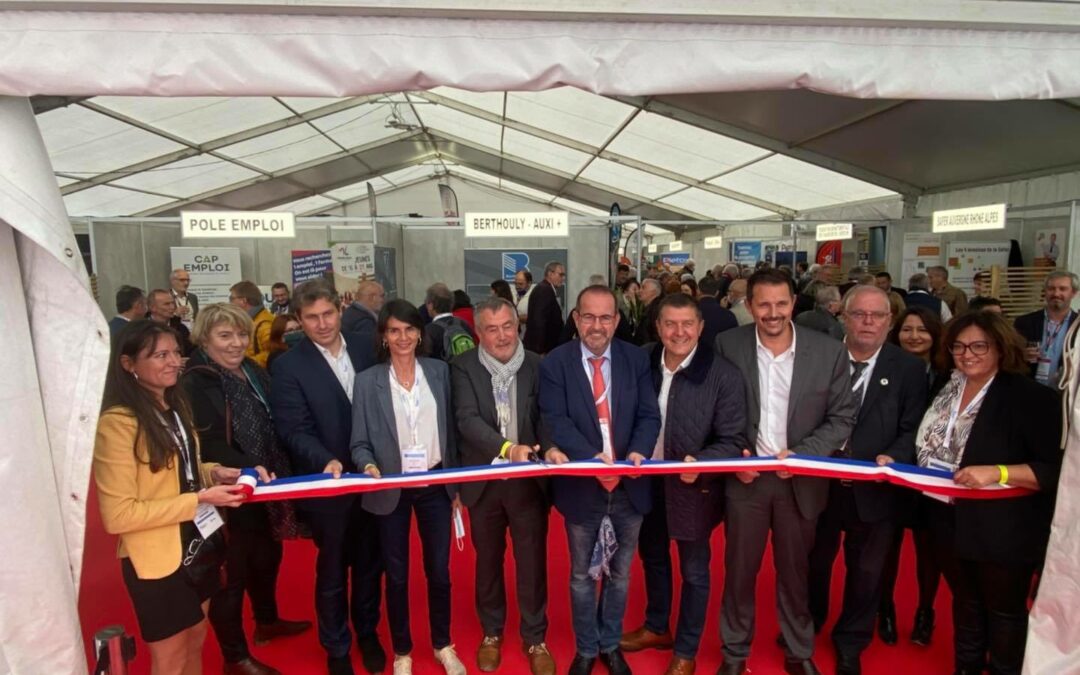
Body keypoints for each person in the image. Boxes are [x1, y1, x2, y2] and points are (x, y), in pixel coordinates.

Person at [94, 320, 260, 675]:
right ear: (128, 364)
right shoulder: (118, 423)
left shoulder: (172, 404)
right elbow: (118, 515)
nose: (174, 362)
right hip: (156, 558)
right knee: (170, 658)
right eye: (160, 355)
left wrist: (214, 472)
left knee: (195, 641)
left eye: (175, 353)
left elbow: (179, 472)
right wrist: (200, 499)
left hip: (197, 544)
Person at [714, 269, 857, 675]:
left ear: (794, 303)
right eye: (764, 304)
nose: (773, 313)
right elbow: (718, 409)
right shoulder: (728, 345)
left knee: (796, 574)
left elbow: (842, 417)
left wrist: (801, 456)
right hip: (747, 481)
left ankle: (798, 650)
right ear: (749, 305)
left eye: (781, 303)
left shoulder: (828, 352)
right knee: (739, 572)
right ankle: (734, 653)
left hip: (800, 481)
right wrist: (736, 456)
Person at [916, 311, 1062, 675]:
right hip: (946, 517)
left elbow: (1054, 470)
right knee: (965, 604)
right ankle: (966, 668)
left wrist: (998, 472)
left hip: (1003, 528)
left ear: (1000, 347)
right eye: (959, 346)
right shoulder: (947, 386)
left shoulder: (1031, 397)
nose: (967, 355)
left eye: (979, 346)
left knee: (1004, 612)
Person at [620, 293, 747, 675]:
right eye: (670, 324)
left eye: (687, 324)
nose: (679, 332)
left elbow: (734, 439)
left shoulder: (722, 374)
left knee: (694, 570)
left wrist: (703, 462)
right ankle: (657, 627)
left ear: (701, 327)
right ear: (657, 327)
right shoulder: (641, 361)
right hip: (646, 480)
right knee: (653, 557)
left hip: (695, 486)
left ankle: (686, 650)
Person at [538, 285, 661, 675]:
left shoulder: (635, 359)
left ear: (617, 320)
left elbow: (649, 415)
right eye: (588, 317)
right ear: (576, 319)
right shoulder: (555, 363)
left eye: (605, 317)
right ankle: (587, 648)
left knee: (620, 574)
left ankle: (610, 645)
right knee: (581, 575)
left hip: (629, 484)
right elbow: (555, 419)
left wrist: (638, 451)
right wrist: (591, 459)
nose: (597, 325)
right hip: (582, 485)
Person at [805, 287, 927, 675]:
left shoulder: (908, 369)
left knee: (867, 572)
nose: (868, 322)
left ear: (890, 321)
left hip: (875, 488)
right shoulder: (819, 358)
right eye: (859, 314)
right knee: (813, 561)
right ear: (844, 317)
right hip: (820, 484)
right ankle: (808, 623)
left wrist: (894, 457)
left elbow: (912, 428)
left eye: (877, 315)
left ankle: (851, 641)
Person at [182, 304, 309, 675]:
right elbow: (205, 443)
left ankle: (267, 620)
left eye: (241, 334)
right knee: (231, 575)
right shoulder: (195, 381)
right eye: (225, 336)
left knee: (268, 556)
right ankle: (235, 657)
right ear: (204, 339)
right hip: (229, 490)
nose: (236, 343)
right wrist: (245, 469)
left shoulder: (253, 370)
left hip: (268, 485)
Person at [270, 280, 385, 675]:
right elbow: (292, 429)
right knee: (333, 568)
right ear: (299, 320)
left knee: (370, 563)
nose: (322, 324)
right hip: (326, 484)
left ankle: (367, 633)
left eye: (328, 314)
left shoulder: (367, 347)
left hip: (373, 478)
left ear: (340, 310)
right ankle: (336, 646)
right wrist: (326, 460)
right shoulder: (288, 366)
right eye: (312, 317)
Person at [350, 299, 465, 675]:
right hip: (391, 488)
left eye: (410, 329)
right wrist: (367, 464)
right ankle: (403, 651)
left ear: (420, 333)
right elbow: (359, 442)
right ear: (383, 336)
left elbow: (452, 433)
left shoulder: (440, 372)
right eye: (394, 330)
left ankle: (443, 644)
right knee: (396, 574)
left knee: (439, 571)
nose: (403, 337)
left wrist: (455, 486)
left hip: (435, 483)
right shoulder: (367, 381)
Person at [451, 298, 557, 675]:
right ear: (479, 333)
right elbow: (466, 420)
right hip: (484, 482)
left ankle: (535, 637)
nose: (502, 336)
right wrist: (507, 449)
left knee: (532, 563)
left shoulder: (538, 365)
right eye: (492, 329)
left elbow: (546, 418)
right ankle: (491, 632)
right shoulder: (462, 367)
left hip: (527, 483)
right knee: (488, 562)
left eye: (507, 326)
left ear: (518, 326)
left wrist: (551, 449)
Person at [877, 305, 948, 648]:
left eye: (922, 330)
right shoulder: (886, 368)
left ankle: (925, 611)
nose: (914, 336)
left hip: (933, 475)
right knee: (886, 546)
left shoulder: (949, 375)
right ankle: (885, 609)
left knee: (929, 549)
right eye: (907, 329)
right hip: (894, 468)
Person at [1014, 270, 1079, 388]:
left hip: (1065, 392)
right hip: (1028, 390)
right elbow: (1009, 356)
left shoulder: (1078, 325)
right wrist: (1020, 355)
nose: (1056, 293)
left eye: (1062, 289)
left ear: (1074, 293)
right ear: (1045, 291)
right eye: (1051, 288)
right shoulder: (1024, 322)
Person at [425, 284, 476, 362]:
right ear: (451, 303)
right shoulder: (464, 324)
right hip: (463, 368)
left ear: (430, 305)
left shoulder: (429, 330)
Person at [229, 281, 275, 368]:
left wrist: (245, 364)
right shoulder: (253, 320)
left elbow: (272, 354)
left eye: (232, 298)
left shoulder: (264, 324)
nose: (230, 302)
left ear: (243, 301)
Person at [524, 261, 566, 355]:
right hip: (542, 349)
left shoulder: (545, 289)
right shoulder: (544, 290)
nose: (563, 278)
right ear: (550, 274)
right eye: (561, 275)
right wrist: (540, 350)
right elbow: (539, 321)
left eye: (564, 275)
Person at [147, 288, 194, 356]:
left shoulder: (181, 329)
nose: (172, 307)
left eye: (173, 303)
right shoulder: (141, 330)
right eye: (167, 304)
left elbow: (191, 352)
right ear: (152, 308)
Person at [633, 278, 664, 345]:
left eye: (643, 288)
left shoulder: (656, 310)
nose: (639, 291)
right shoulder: (650, 308)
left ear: (654, 291)